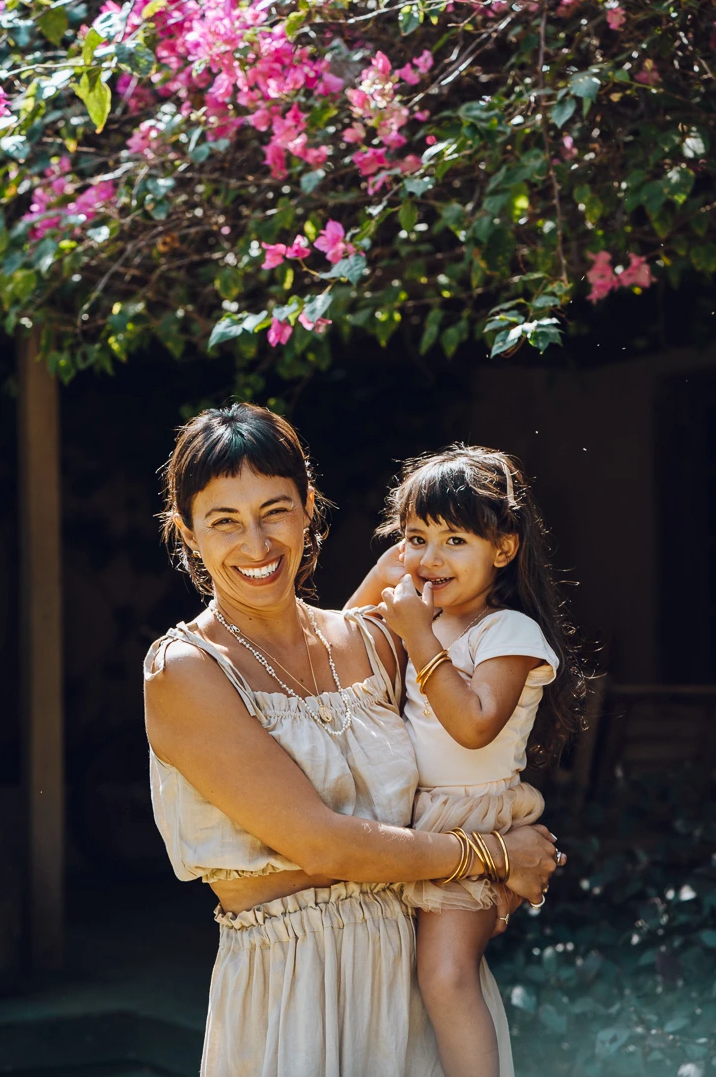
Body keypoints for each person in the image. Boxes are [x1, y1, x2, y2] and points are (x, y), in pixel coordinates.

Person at [143, 404, 561, 1077]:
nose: (257, 543)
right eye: (224, 520)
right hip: (293, 992)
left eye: (275, 509)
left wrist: (503, 869)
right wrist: (492, 854)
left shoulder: (372, 640)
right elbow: (322, 843)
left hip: (420, 979)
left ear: (309, 508)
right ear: (187, 532)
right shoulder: (187, 670)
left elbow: (468, 746)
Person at [345, 445, 584, 1077]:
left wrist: (419, 636)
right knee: (410, 985)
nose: (431, 558)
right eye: (417, 538)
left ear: (503, 549)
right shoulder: (423, 617)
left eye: (456, 539)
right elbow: (338, 646)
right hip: (413, 821)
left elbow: (476, 725)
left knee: (447, 978)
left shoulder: (507, 632)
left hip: (475, 821)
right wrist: (382, 576)